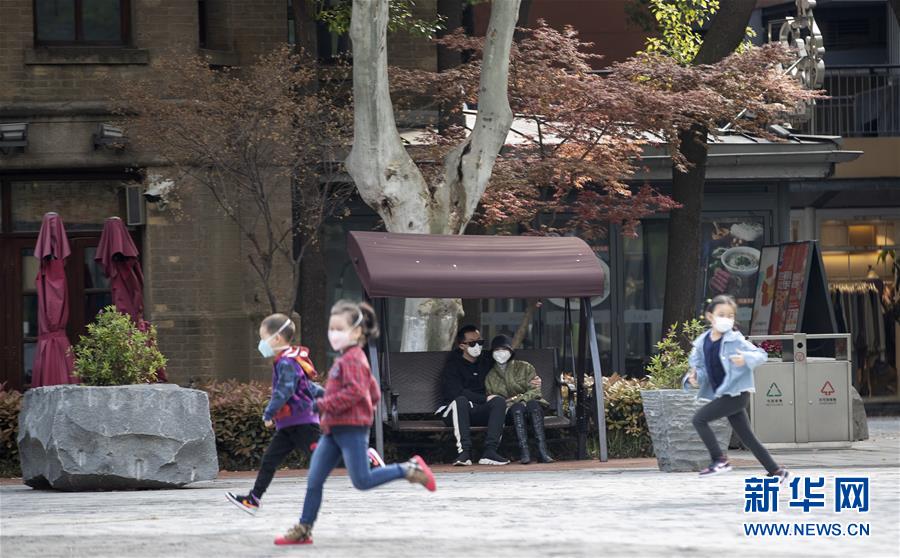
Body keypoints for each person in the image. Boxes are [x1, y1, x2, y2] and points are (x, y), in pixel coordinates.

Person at [274, 300, 436, 546]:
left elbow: (356, 393)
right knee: (315, 479)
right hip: (334, 430)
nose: (333, 334)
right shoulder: (346, 359)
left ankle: (410, 468)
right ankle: (304, 529)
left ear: (357, 332)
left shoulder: (353, 360)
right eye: (331, 328)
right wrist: (320, 394)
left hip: (351, 429)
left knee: (362, 480)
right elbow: (369, 392)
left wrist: (323, 405)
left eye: (339, 329)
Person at [685, 294, 789, 482]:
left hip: (737, 394)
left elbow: (760, 354)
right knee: (747, 437)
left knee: (699, 419)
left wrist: (745, 359)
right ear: (710, 316)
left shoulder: (735, 339)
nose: (726, 319)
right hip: (724, 393)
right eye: (721, 315)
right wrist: (694, 378)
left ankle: (719, 460)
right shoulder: (702, 342)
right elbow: (700, 368)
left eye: (730, 316)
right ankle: (777, 471)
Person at [226, 313, 322, 515]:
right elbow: (308, 387)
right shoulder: (290, 359)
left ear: (276, 338)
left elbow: (284, 391)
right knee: (269, 460)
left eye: (263, 338)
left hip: (302, 423)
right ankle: (253, 499)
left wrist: (269, 413)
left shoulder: (286, 362)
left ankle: (366, 458)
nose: (262, 344)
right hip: (289, 424)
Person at [437, 325, 510, 466]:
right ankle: (464, 453)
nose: (477, 346)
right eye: (472, 343)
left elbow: (508, 358)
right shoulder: (452, 365)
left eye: (480, 342)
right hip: (455, 410)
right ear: (462, 346)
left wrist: (531, 379)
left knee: (499, 401)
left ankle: (490, 452)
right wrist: (484, 398)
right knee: (461, 401)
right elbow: (455, 392)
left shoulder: (487, 360)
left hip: (479, 409)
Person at [485, 335, 554, 464]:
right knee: (517, 408)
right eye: (497, 350)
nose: (501, 353)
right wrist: (516, 402)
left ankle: (542, 451)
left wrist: (520, 399)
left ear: (511, 351)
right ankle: (524, 451)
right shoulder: (490, 376)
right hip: (511, 412)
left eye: (504, 349)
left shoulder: (525, 367)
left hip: (531, 405)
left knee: (533, 406)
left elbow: (535, 391)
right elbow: (495, 400)